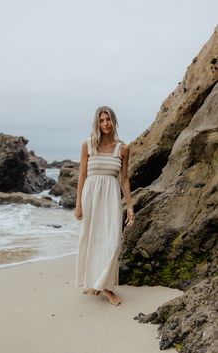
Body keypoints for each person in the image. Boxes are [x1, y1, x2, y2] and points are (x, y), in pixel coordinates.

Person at [74, 106, 135, 306]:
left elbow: (124, 179)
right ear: (97, 123)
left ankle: (103, 285)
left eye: (108, 120)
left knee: (113, 242)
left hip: (111, 199)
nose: (105, 124)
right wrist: (78, 205)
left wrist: (131, 207)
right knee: (93, 240)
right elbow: (82, 176)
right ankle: (99, 285)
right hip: (91, 197)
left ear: (114, 121)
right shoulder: (88, 145)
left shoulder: (123, 148)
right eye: (101, 120)